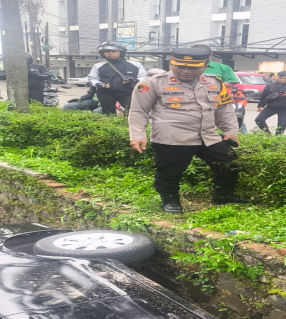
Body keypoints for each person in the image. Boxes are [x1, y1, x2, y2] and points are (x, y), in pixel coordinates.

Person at [128, 48, 245, 214]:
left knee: (228, 163)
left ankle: (224, 195)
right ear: (171, 63)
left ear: (205, 65)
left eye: (193, 67)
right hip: (172, 138)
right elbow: (138, 111)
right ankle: (170, 201)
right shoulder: (151, 83)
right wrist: (137, 135)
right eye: (180, 66)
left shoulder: (215, 82)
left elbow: (224, 110)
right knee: (169, 171)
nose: (186, 71)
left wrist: (230, 131)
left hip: (208, 136)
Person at [87, 42, 147, 115]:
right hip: (106, 93)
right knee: (108, 114)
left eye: (114, 51)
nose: (110, 53)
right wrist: (99, 84)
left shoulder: (135, 65)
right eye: (107, 51)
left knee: (131, 113)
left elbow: (144, 78)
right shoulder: (98, 66)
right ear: (102, 53)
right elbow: (93, 78)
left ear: (121, 52)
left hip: (128, 92)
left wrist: (133, 81)